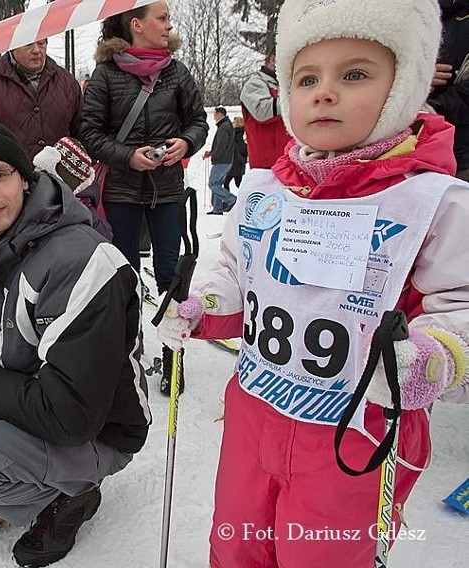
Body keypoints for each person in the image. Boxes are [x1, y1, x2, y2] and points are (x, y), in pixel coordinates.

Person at [158, 1, 469, 566]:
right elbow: (239, 277)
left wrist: (435, 355)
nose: (324, 92)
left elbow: (461, 309)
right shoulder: (263, 193)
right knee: (237, 544)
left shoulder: (432, 204)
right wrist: (202, 306)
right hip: (255, 416)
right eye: (307, 77)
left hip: (353, 436)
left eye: (354, 74)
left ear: (405, 86)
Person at [0, 120, 148, 568]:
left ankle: (67, 497)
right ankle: (47, 477)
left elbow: (71, 415)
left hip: (99, 431)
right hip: (38, 402)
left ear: (25, 177)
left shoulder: (77, 259)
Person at [80, 0, 208, 393]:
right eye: (162, 18)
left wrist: (185, 143)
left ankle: (173, 358)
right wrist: (127, 157)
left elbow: (198, 121)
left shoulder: (177, 72)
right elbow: (90, 132)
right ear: (136, 24)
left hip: (167, 191)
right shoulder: (105, 75)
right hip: (120, 192)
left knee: (172, 276)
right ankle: (127, 358)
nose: (169, 25)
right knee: (125, 277)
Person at [0, 38, 82, 159]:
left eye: (41, 43)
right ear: (12, 47)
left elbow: (80, 132)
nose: (36, 50)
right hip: (10, 173)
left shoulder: (67, 82)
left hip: (59, 174)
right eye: (28, 44)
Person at [428, 0, 469, 181]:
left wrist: (434, 107)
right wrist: (416, 77)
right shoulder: (416, 13)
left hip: (462, 155)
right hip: (416, 148)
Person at [240, 50, 292, 169]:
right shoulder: (255, 83)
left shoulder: (283, 86)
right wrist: (294, 100)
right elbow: (262, 111)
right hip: (266, 167)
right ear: (273, 59)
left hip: (287, 163)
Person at [203, 107, 237, 214]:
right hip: (226, 159)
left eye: (214, 114)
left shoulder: (223, 127)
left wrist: (214, 155)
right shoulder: (226, 125)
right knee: (217, 183)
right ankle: (217, 208)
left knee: (213, 184)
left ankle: (232, 199)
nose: (213, 117)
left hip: (222, 160)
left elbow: (221, 145)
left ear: (219, 114)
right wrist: (212, 152)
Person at [223, 116, 247, 190]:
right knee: (237, 183)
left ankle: (229, 200)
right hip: (238, 163)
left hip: (235, 163)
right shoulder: (240, 134)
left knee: (227, 182)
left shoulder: (236, 134)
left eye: (233, 122)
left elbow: (238, 147)